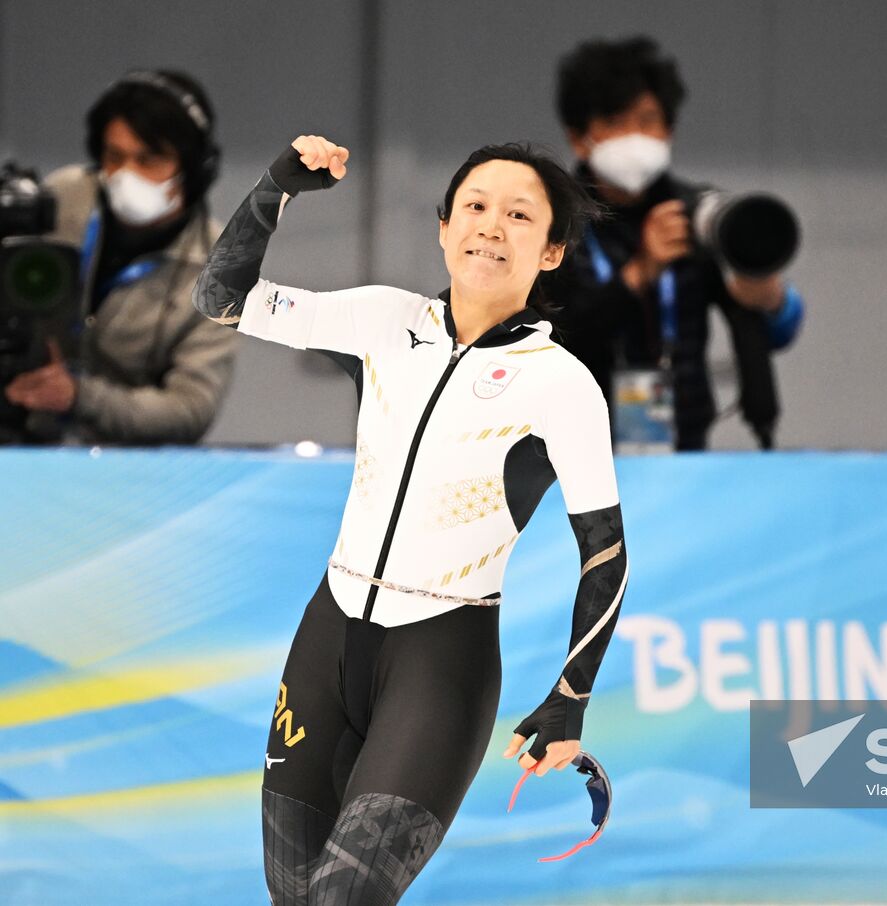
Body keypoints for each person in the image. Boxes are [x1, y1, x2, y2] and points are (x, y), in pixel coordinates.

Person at [193, 136, 627, 904]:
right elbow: (222, 299)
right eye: (476, 207)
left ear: (552, 252)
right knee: (293, 899)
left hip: (441, 666)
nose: (492, 226)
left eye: (519, 215)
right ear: (444, 227)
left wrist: (572, 697)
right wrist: (276, 187)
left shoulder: (561, 385)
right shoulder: (382, 322)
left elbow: (604, 551)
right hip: (326, 639)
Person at [551, 36, 805, 451]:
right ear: (580, 138)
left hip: (684, 442)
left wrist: (769, 298)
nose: (635, 137)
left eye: (648, 120)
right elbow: (555, 338)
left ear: (668, 129)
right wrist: (639, 273)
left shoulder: (698, 215)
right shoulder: (553, 221)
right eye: (616, 124)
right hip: (578, 444)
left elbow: (778, 331)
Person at [3, 70, 237, 444]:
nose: (127, 175)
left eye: (150, 159)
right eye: (115, 156)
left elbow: (190, 409)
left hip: (128, 468)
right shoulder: (62, 199)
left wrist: (79, 396)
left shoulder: (221, 268)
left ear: (195, 169)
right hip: (23, 440)